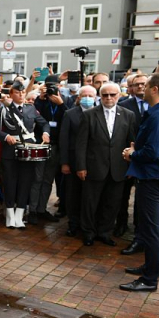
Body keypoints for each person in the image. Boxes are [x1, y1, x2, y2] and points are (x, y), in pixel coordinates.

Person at [120, 73, 159, 292]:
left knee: (151, 227)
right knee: (150, 226)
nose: (142, 89)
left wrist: (132, 153)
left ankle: (150, 279)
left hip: (154, 176)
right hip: (157, 174)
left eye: (146, 86)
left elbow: (154, 152)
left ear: (154, 89)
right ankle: (150, 267)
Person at [74, 83, 137, 247]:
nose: (109, 98)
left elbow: (131, 143)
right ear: (99, 97)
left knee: (112, 203)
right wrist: (81, 166)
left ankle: (104, 232)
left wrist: (131, 166)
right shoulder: (89, 115)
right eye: (105, 95)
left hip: (118, 168)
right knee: (90, 202)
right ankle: (88, 232)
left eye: (112, 94)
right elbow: (81, 143)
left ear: (119, 95)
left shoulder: (128, 115)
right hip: (94, 167)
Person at [0, 80, 51, 229]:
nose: (21, 95)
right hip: (10, 151)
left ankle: (19, 216)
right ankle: (10, 216)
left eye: (23, 92)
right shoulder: (4, 110)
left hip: (28, 150)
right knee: (10, 183)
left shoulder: (31, 109)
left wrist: (45, 133)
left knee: (25, 183)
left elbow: (44, 123)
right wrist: (5, 137)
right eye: (17, 93)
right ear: (11, 94)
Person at [59, 85, 96, 237]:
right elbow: (64, 139)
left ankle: (88, 224)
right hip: (73, 162)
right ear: (79, 97)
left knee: (89, 195)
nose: (87, 98)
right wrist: (65, 162)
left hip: (93, 161)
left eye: (90, 95)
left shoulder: (99, 113)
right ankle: (73, 223)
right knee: (72, 194)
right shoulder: (70, 114)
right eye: (84, 95)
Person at [29, 75, 67, 224]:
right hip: (41, 144)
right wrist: (41, 98)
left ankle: (41, 209)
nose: (52, 90)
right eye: (49, 87)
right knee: (37, 178)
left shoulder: (64, 101)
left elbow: (69, 117)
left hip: (56, 145)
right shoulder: (40, 102)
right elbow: (34, 116)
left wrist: (61, 104)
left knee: (48, 179)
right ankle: (32, 210)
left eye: (54, 87)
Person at [116, 73, 149, 238]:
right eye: (137, 84)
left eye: (144, 84)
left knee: (144, 196)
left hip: (148, 157)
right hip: (127, 156)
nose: (141, 87)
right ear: (131, 88)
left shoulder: (155, 105)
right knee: (123, 193)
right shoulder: (124, 105)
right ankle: (121, 223)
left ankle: (139, 227)